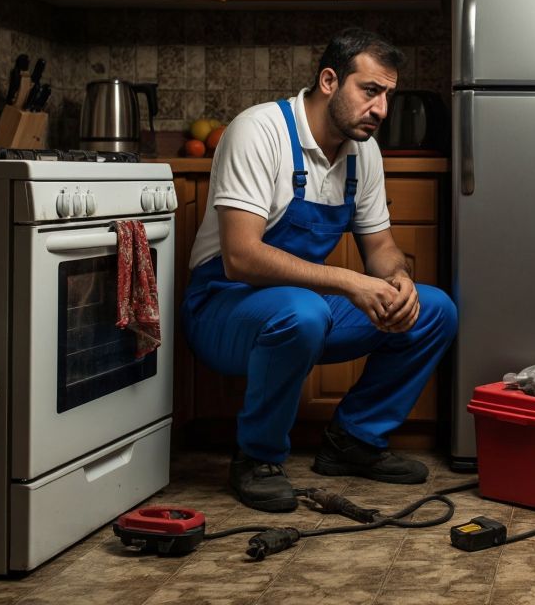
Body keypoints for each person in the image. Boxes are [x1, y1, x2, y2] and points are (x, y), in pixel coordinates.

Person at [183, 27, 458, 512]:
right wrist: (351, 282)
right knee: (304, 312)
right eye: (370, 91)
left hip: (299, 306)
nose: (382, 110)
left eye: (388, 96)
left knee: (435, 309)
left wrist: (399, 280)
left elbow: (383, 248)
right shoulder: (259, 131)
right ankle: (257, 457)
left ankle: (354, 441)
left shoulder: (363, 152)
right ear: (329, 80)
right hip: (221, 308)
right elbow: (241, 256)